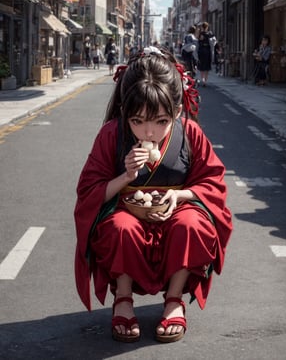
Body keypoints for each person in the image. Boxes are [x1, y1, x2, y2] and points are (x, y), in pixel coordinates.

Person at [74, 46, 232, 344]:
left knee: (193, 224)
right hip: (126, 211)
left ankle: (174, 299)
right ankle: (123, 298)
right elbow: (89, 191)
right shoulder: (112, 134)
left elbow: (212, 182)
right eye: (137, 121)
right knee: (120, 227)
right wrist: (126, 177)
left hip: (177, 210)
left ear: (177, 110)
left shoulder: (190, 133)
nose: (149, 132)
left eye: (161, 121)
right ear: (124, 113)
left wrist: (181, 195)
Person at [196, 22, 215, 86]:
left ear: (202, 27)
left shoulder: (200, 34)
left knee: (201, 67)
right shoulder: (210, 34)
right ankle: (205, 81)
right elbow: (214, 42)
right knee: (207, 67)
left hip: (201, 51)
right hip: (207, 51)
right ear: (207, 27)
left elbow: (197, 42)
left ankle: (203, 79)